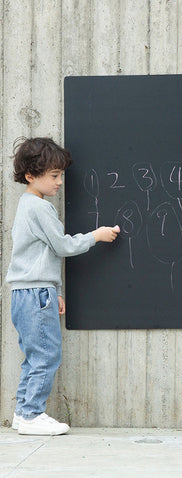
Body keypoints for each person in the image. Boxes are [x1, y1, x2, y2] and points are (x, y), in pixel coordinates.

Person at [6, 137, 120, 436]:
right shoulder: (40, 209)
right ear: (31, 176)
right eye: (54, 176)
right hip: (35, 292)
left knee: (34, 354)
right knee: (47, 354)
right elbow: (61, 246)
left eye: (60, 175)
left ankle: (22, 412)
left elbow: (41, 253)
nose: (59, 182)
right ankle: (32, 414)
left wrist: (54, 290)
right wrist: (96, 235)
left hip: (24, 292)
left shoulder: (26, 205)